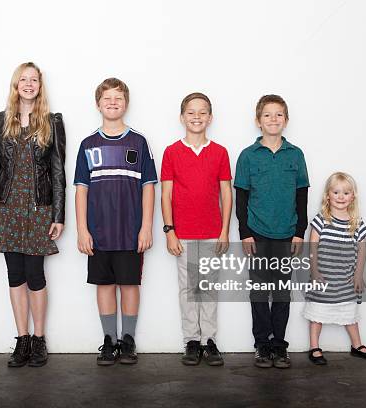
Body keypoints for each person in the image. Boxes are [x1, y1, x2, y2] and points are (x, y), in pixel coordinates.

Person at [0, 62, 66, 367]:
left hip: (39, 209)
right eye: (23, 79)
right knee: (15, 275)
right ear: (16, 85)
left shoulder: (52, 122)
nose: (28, 84)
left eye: (34, 80)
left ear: (40, 86)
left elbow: (57, 171)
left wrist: (58, 214)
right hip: (7, 207)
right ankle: (22, 339)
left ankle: (39, 340)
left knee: (35, 275)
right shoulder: (0, 120)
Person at [74, 78, 157, 366]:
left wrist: (146, 226)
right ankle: (109, 340)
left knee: (130, 284)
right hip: (98, 232)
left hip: (130, 231)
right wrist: (82, 230)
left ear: (126, 103)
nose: (112, 102)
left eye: (118, 98)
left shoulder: (139, 142)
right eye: (107, 98)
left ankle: (128, 339)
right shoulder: (88, 144)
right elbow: (81, 190)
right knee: (105, 285)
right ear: (98, 104)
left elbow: (148, 187)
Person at [234, 94, 309, 369]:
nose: (273, 119)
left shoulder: (296, 154)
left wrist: (299, 231)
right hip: (257, 232)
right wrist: (245, 232)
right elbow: (241, 197)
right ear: (258, 121)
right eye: (267, 115)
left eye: (279, 115)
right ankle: (262, 345)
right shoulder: (247, 156)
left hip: (286, 233)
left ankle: (279, 345)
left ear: (286, 121)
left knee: (281, 292)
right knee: (259, 290)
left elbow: (302, 196)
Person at [161, 93, 232, 366]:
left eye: (202, 112)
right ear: (182, 117)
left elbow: (226, 194)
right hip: (184, 233)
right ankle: (191, 340)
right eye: (191, 112)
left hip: (213, 232)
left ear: (210, 118)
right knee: (189, 289)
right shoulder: (172, 152)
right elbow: (165, 195)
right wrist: (170, 231)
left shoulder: (220, 152)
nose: (197, 117)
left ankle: (209, 341)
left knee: (209, 288)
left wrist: (225, 230)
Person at [303, 172, 366, 364]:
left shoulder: (357, 223)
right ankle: (314, 346)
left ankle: (357, 345)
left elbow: (362, 249)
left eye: (346, 193)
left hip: (346, 278)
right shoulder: (322, 219)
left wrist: (358, 275)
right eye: (336, 192)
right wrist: (315, 271)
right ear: (328, 195)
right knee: (317, 313)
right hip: (324, 278)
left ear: (353, 196)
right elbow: (312, 246)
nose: (341, 196)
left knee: (349, 313)